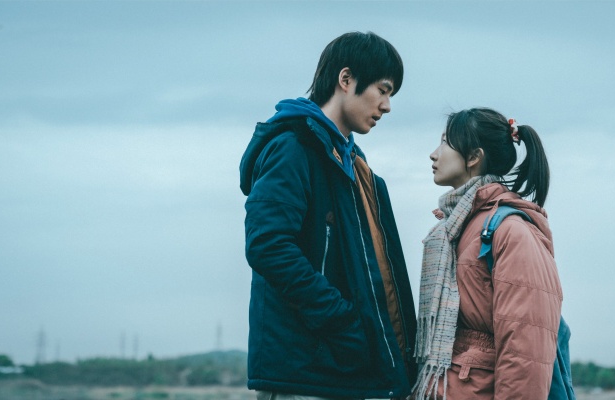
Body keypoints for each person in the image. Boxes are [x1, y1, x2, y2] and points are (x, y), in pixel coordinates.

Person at [238, 31, 417, 400]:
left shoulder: (352, 162)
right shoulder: (292, 148)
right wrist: (343, 322)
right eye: (382, 90)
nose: (386, 106)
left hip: (341, 370)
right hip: (302, 372)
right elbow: (268, 246)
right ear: (346, 79)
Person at [412, 108, 563, 399]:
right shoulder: (456, 227)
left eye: (444, 142)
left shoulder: (511, 231)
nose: (433, 154)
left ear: (474, 157)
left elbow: (525, 352)